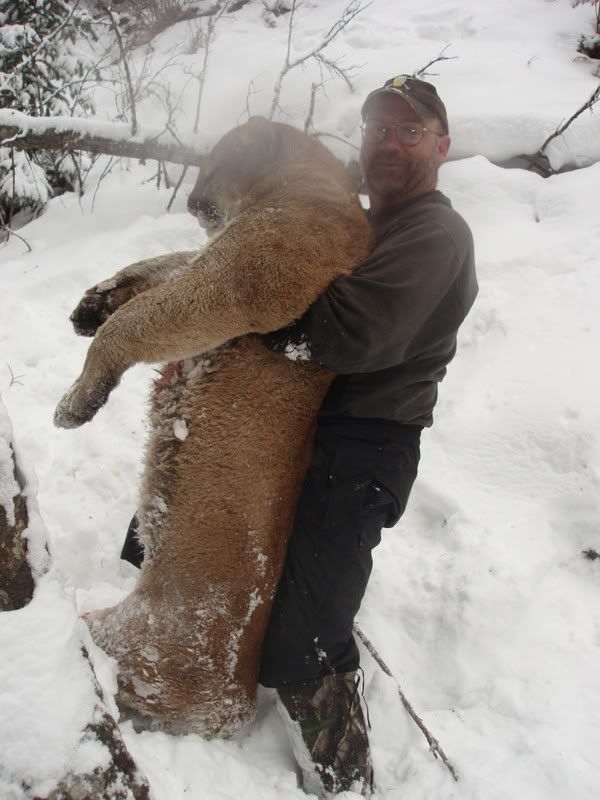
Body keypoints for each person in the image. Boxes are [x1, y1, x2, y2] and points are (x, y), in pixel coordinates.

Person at [121, 75, 477, 798]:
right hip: (303, 418)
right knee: (177, 516)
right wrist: (208, 361)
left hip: (364, 445)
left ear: (442, 145)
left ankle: (343, 774)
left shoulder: (435, 233)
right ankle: (160, 621)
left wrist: (234, 314)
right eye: (378, 128)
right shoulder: (362, 218)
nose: (390, 144)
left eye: (410, 132)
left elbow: (340, 333)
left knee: (306, 634)